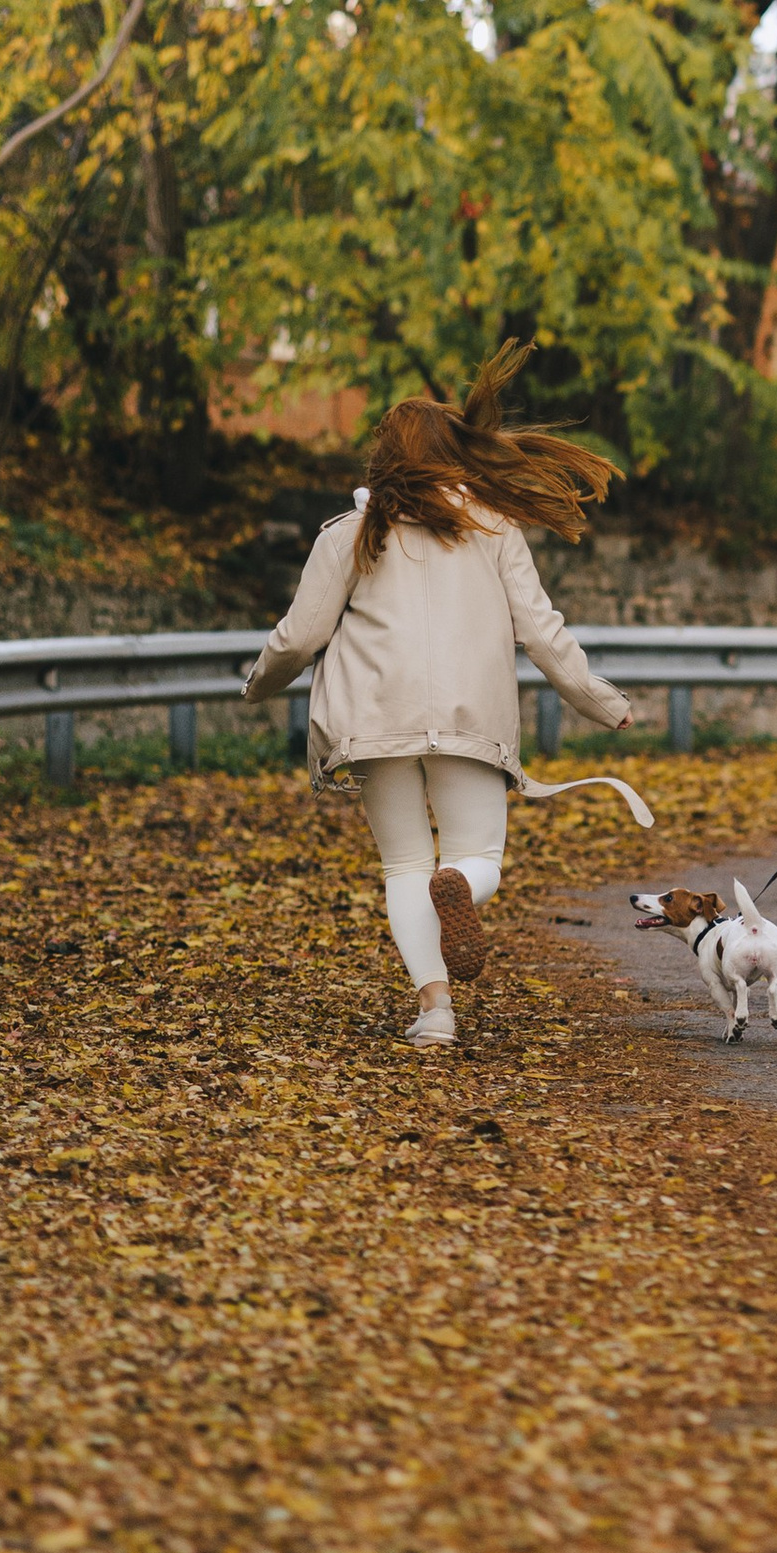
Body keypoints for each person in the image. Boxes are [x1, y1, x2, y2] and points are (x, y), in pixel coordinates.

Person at [244, 343, 643, 1047]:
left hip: (375, 721)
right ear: (451, 451)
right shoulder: (492, 526)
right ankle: (458, 881)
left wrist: (257, 683)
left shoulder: (348, 535)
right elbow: (542, 632)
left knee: (403, 865)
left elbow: (300, 636)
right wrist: (601, 700)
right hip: (470, 718)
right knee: (476, 856)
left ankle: (436, 1012)